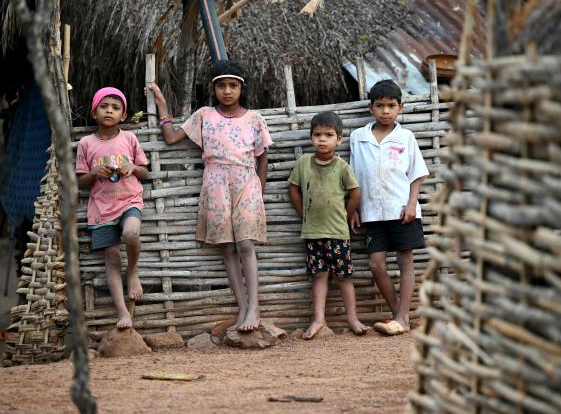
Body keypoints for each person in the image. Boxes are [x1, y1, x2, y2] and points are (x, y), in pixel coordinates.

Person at [147, 60, 272, 332]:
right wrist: (162, 106)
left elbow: (262, 158)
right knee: (227, 247)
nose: (227, 91)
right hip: (215, 183)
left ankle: (255, 308)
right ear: (213, 89)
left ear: (242, 89)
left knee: (246, 245)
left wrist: (258, 191)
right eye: (221, 86)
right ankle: (241, 308)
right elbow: (170, 138)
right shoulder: (204, 115)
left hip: (246, 183)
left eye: (233, 86)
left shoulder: (254, 119)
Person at [349, 80, 429, 336]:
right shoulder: (358, 137)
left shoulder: (405, 137)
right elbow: (354, 176)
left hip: (401, 210)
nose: (385, 111)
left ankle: (402, 318)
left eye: (391, 106)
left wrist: (412, 203)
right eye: (380, 105)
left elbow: (417, 174)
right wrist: (355, 209)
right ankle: (399, 315)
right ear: (371, 108)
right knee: (376, 264)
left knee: (405, 260)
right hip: (372, 212)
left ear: (400, 108)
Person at [288, 111, 368, 339]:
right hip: (313, 233)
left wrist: (346, 215)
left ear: (339, 139)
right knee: (319, 276)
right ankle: (318, 319)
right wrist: (303, 212)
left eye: (328, 135)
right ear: (311, 137)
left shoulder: (342, 167)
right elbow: (293, 188)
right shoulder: (304, 163)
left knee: (344, 277)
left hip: (338, 233)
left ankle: (352, 318)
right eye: (317, 134)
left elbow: (355, 194)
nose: (322, 139)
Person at [76, 87, 149, 329]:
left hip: (129, 200)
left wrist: (132, 168)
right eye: (104, 106)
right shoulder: (86, 143)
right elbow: (80, 181)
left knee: (131, 234)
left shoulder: (129, 139)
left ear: (123, 116)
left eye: (115, 107)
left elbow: (145, 171)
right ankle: (123, 313)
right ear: (94, 113)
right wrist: (94, 173)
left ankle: (133, 271)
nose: (109, 110)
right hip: (101, 209)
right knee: (112, 258)